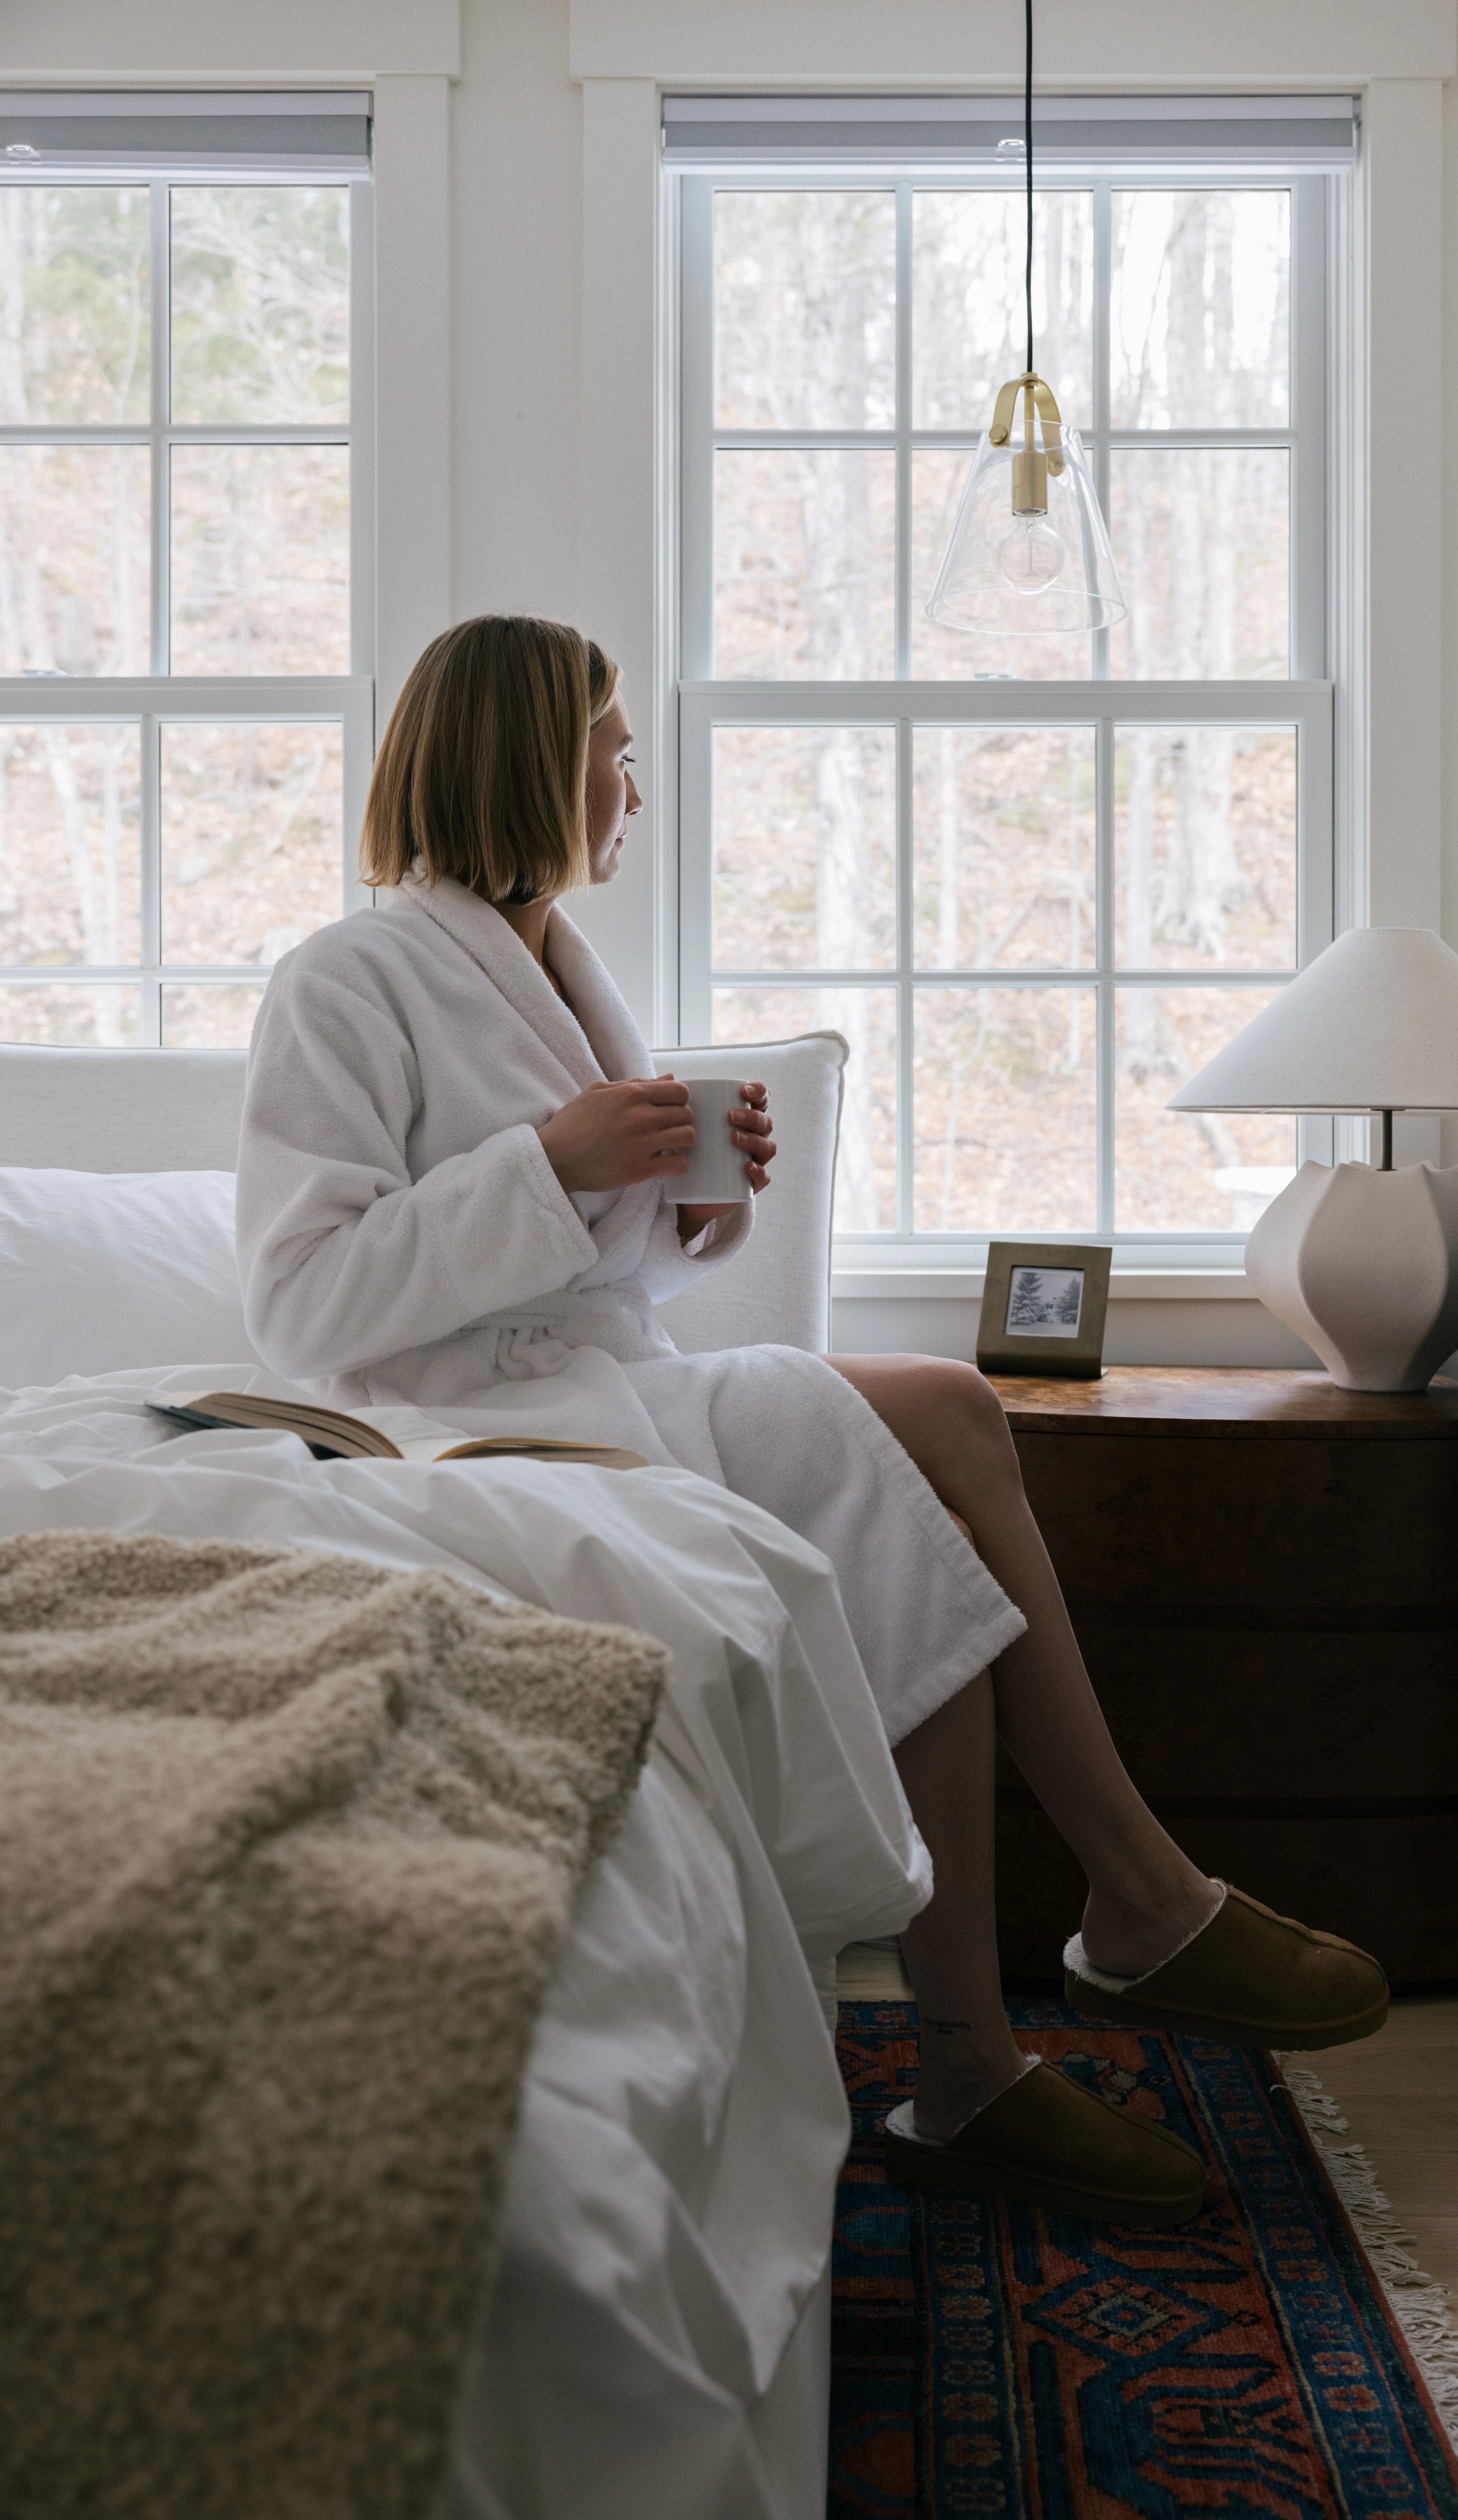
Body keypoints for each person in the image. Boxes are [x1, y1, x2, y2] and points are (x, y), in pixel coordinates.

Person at [237, 616, 1387, 2230]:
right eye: (614, 752)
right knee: (912, 1431)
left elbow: (594, 1275)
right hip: (460, 1425)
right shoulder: (346, 978)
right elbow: (303, 1303)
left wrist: (687, 1211)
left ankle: (1052, 1983)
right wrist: (558, 1164)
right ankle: (1095, 1941)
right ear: (528, 759)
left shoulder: (564, 971)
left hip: (595, 1379)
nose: (635, 788)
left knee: (940, 1429)